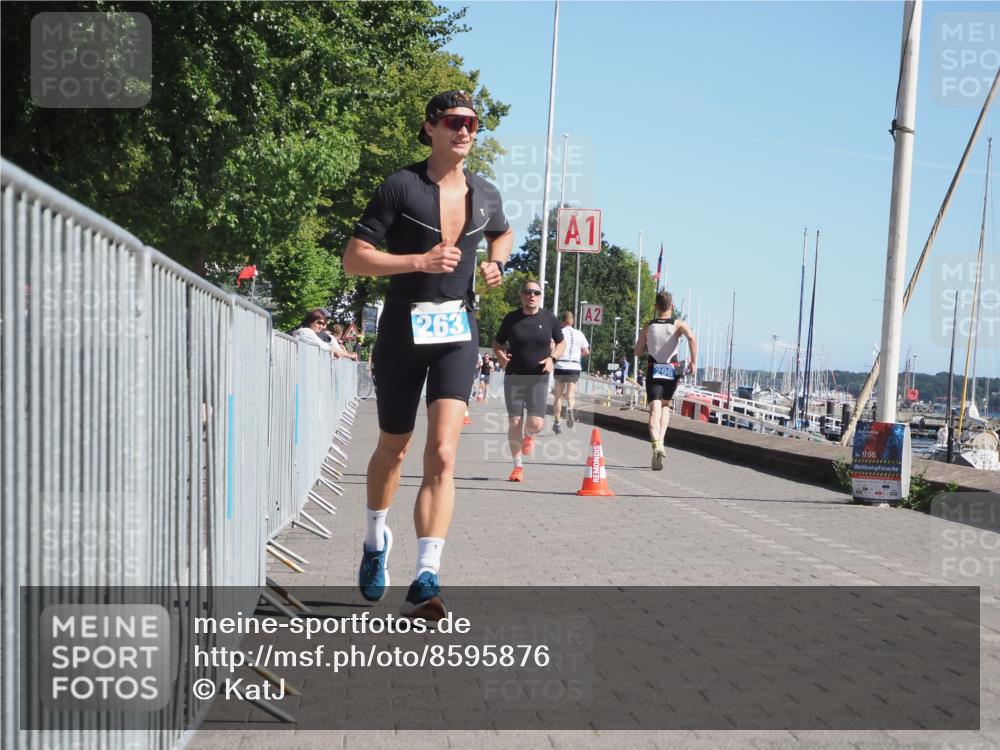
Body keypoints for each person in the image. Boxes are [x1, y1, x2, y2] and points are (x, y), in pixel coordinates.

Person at [343, 89, 512, 619]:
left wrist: (497, 264)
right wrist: (420, 261)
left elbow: (502, 236)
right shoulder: (401, 186)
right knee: (393, 447)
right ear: (431, 127)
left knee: (442, 454)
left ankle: (426, 575)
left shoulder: (485, 194)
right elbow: (355, 260)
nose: (464, 130)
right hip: (404, 327)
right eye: (453, 121)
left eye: (472, 123)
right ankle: (375, 542)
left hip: (458, 328)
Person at [492, 279, 565, 482]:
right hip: (514, 377)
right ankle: (517, 467)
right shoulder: (511, 319)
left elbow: (562, 342)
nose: (531, 296)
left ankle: (529, 435)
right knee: (515, 421)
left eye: (535, 292)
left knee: (536, 424)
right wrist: (500, 357)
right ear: (521, 295)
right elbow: (497, 343)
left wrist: (552, 359)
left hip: (538, 378)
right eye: (527, 292)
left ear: (540, 296)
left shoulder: (549, 319)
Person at [634, 291, 697, 471]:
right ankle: (661, 440)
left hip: (654, 368)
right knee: (665, 407)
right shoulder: (678, 324)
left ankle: (656, 444)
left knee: (654, 409)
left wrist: (647, 344)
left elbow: (637, 352)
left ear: (655, 307)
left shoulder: (648, 326)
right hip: (672, 369)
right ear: (672, 307)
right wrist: (693, 362)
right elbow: (692, 338)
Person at [551, 311, 589, 433]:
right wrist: (578, 356)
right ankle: (570, 409)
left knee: (558, 396)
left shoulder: (559, 332)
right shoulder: (579, 333)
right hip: (574, 365)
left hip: (561, 364)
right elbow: (586, 351)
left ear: (562, 321)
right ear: (572, 321)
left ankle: (557, 423)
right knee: (570, 394)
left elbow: (552, 348)